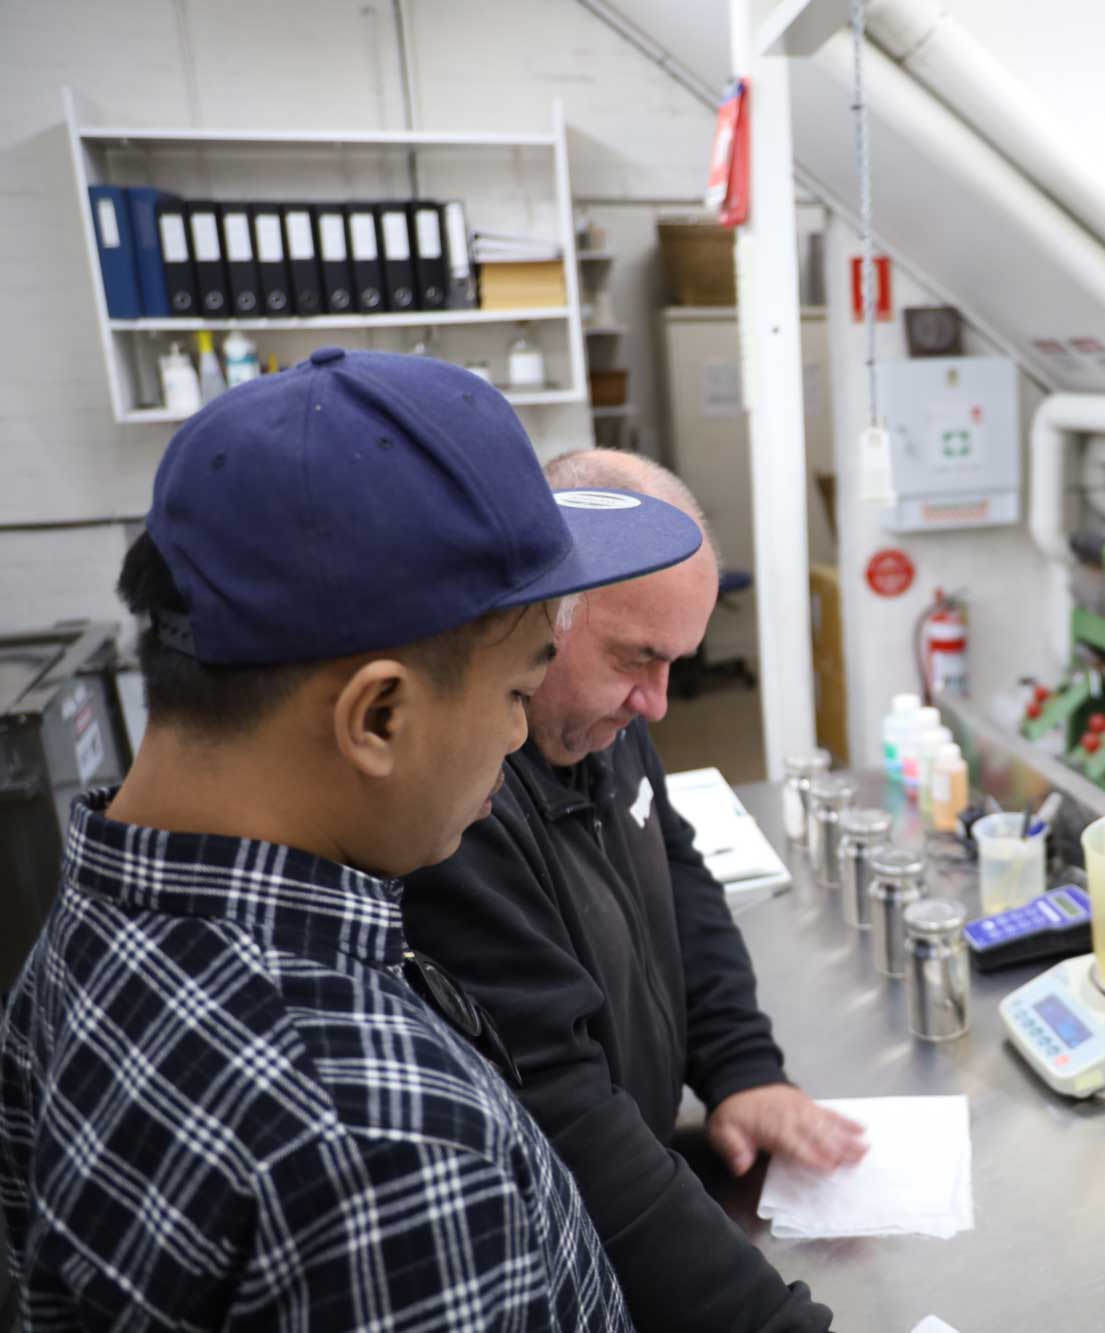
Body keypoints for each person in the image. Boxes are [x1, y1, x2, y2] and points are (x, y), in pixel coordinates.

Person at [0, 350, 706, 1330]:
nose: (518, 736)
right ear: (376, 716)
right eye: (514, 692)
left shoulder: (72, 944)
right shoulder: (391, 1146)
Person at [402, 449, 863, 1333]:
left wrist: (741, 1065)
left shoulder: (604, 721)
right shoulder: (458, 809)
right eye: (634, 657)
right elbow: (564, 1117)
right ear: (542, 616)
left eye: (674, 664)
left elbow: (678, 869)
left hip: (654, 1159)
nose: (655, 702)